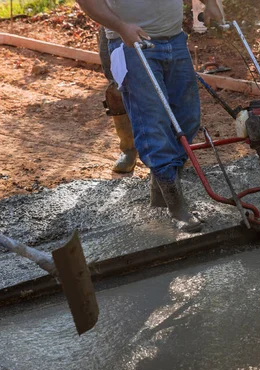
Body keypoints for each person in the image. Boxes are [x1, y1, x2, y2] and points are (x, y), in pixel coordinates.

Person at [77, 0, 224, 232]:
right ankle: (176, 206)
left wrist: (211, 3)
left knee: (187, 119)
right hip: (129, 42)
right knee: (152, 121)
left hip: (174, 39)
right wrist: (121, 27)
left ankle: (161, 190)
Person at [98, 26, 138, 174]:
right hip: (111, 26)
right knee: (116, 88)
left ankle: (167, 151)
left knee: (159, 84)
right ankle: (128, 149)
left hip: (151, 20)